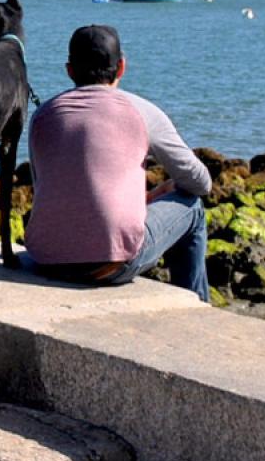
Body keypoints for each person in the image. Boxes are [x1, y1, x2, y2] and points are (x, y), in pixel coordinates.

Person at [24, 24, 212, 303]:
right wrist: (170, 186)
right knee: (192, 206)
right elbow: (201, 182)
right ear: (121, 67)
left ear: (69, 70)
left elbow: (49, 189)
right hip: (111, 266)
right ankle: (195, 307)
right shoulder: (142, 111)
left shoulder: (42, 115)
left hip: (47, 259)